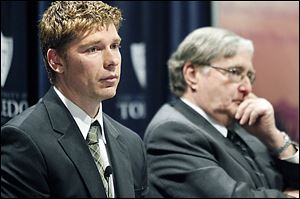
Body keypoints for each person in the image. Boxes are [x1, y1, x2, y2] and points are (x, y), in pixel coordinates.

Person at [1, 1, 148, 198]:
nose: (112, 60)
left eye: (114, 46)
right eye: (93, 49)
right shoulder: (25, 141)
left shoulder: (131, 143)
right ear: (56, 60)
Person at [143, 27, 299, 198]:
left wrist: (273, 138)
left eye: (249, 76)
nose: (247, 88)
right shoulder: (172, 131)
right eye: (235, 72)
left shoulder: (246, 126)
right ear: (192, 75)